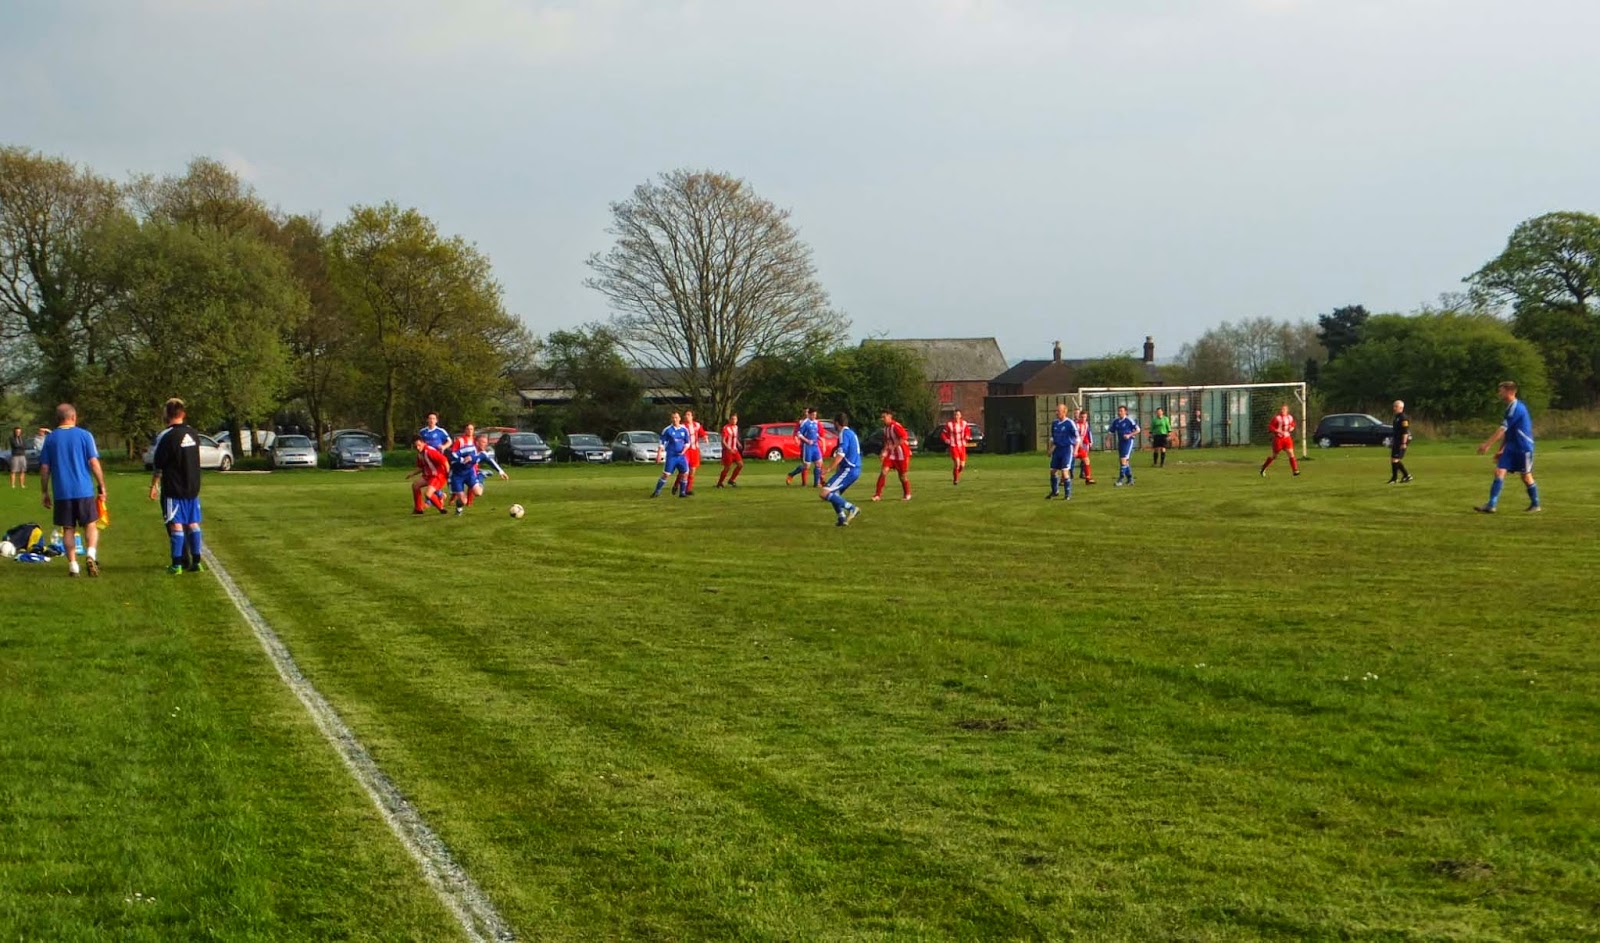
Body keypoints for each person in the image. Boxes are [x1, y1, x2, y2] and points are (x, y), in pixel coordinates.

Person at [38, 403, 105, 577]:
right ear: (74, 417)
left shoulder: (50, 439)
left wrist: (44, 491)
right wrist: (101, 486)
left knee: (68, 529)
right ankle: (91, 554)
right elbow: (94, 463)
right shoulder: (85, 435)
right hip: (84, 490)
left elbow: (45, 468)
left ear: (58, 419)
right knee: (90, 524)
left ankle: (73, 565)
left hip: (62, 492)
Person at [146, 398, 206, 574]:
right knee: (193, 523)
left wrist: (153, 486)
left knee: (176, 525)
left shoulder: (167, 436)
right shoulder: (194, 434)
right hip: (193, 487)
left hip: (174, 488)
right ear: (183, 414)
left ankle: (177, 563)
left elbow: (159, 464)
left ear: (166, 415)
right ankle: (197, 561)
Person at [1476, 381, 1540, 513]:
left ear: (1510, 392)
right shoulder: (1510, 407)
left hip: (1523, 447)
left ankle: (1536, 504)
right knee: (1499, 471)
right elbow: (1507, 432)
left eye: (1501, 391)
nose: (1499, 393)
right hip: (1511, 447)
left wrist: (1487, 445)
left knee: (1526, 476)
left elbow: (1501, 430)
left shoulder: (1516, 408)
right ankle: (1491, 504)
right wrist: (1501, 450)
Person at [819, 411, 863, 526]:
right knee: (834, 494)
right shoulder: (851, 433)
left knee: (824, 493)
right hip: (853, 469)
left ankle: (852, 508)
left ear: (837, 423)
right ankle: (841, 518)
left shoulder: (843, 433)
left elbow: (841, 454)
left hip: (849, 469)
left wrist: (828, 469)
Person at [872, 409, 912, 501]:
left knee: (902, 476)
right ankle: (877, 495)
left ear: (890, 416)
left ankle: (907, 494)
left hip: (902, 454)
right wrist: (883, 452)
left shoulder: (896, 426)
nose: (882, 419)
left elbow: (904, 437)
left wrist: (894, 446)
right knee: (883, 471)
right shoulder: (885, 429)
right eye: (881, 417)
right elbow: (887, 442)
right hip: (892, 454)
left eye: (884, 417)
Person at [653, 411, 692, 498]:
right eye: (673, 418)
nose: (675, 419)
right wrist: (659, 454)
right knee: (666, 474)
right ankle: (657, 492)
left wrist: (684, 450)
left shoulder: (684, 429)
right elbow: (661, 443)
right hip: (672, 456)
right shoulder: (667, 430)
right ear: (671, 419)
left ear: (679, 418)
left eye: (676, 417)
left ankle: (682, 493)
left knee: (685, 473)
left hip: (681, 456)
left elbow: (687, 443)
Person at [408, 434, 450, 514]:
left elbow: (444, 461)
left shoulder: (430, 451)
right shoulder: (420, 453)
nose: (417, 448)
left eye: (419, 445)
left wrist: (448, 474)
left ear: (423, 443)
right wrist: (412, 474)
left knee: (428, 494)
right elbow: (421, 467)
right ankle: (418, 509)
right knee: (415, 486)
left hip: (437, 475)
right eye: (415, 446)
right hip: (428, 476)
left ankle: (441, 509)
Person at [1047, 401, 1079, 500]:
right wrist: (1050, 449)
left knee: (1065, 472)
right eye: (1056, 411)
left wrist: (1076, 450)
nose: (1057, 413)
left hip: (1067, 449)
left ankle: (1067, 494)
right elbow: (1053, 438)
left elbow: (1077, 438)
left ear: (1064, 411)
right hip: (1057, 450)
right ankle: (1055, 491)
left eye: (1059, 411)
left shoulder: (1070, 423)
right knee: (1052, 471)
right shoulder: (1055, 423)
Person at [445, 422, 479, 514]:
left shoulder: (475, 441)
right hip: (459, 469)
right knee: (460, 492)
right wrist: (462, 460)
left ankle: (469, 502)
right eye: (468, 429)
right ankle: (457, 501)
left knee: (473, 487)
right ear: (465, 430)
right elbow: (453, 454)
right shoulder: (460, 441)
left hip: (471, 467)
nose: (470, 431)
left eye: (472, 429)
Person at [1258, 404, 1300, 477]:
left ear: (1287, 410)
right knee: (1274, 456)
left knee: (1291, 453)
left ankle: (1295, 470)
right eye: (1281, 409)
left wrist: (1291, 428)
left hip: (1287, 438)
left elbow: (1293, 424)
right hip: (1278, 439)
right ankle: (1263, 468)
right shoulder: (1277, 418)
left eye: (1284, 409)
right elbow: (1271, 426)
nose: (1282, 410)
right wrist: (1277, 431)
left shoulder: (1290, 417)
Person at [787, 409, 823, 487]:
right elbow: (799, 434)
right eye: (813, 415)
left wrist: (819, 438)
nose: (814, 416)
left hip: (815, 445)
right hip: (807, 446)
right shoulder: (804, 423)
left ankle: (816, 484)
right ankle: (792, 474)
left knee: (819, 463)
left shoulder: (815, 423)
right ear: (809, 414)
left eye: (815, 415)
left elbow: (815, 433)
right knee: (806, 466)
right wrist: (806, 440)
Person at [471, 432, 508, 503]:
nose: (485, 444)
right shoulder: (469, 450)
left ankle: (481, 475)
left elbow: (492, 462)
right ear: (477, 442)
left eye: (486, 443)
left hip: (471, 473)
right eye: (483, 442)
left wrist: (501, 472)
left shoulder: (483, 453)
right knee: (455, 493)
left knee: (478, 493)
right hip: (460, 473)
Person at [1109, 405, 1140, 486]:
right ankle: (1130, 479)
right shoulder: (1116, 421)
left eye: (1121, 411)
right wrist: (1107, 441)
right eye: (1119, 411)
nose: (1119, 412)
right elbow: (1111, 432)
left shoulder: (1129, 420)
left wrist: (1129, 435)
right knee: (1124, 462)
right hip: (1121, 442)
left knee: (1123, 460)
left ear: (1125, 412)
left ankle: (1120, 480)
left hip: (1128, 442)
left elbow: (1138, 430)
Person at [941, 410, 972, 485]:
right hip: (953, 446)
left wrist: (967, 437)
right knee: (957, 464)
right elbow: (943, 434)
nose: (956, 416)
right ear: (953, 416)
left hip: (962, 446)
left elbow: (967, 431)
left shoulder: (964, 423)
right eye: (955, 415)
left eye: (958, 415)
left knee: (962, 465)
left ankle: (956, 474)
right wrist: (946, 440)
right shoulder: (949, 424)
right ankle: (956, 480)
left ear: (960, 416)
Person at [1388, 400, 1414, 484]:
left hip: (1401, 441)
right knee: (1394, 459)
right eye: (1394, 406)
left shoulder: (1403, 418)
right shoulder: (1396, 417)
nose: (1394, 408)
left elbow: (1405, 432)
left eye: (1396, 406)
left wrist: (1403, 443)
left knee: (1395, 459)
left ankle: (1395, 478)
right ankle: (1406, 475)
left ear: (1401, 408)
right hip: (1397, 440)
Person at [683, 409, 707, 496]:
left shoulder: (697, 425)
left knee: (692, 470)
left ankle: (688, 489)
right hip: (686, 450)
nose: (687, 416)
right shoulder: (682, 426)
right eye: (686, 415)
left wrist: (705, 437)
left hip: (695, 450)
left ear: (692, 416)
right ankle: (677, 484)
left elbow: (702, 433)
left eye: (688, 415)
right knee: (684, 470)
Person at [716, 413, 744, 487]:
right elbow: (723, 440)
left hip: (735, 450)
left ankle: (731, 480)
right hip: (728, 451)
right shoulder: (726, 428)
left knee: (740, 465)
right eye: (732, 419)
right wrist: (729, 448)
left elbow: (735, 437)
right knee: (727, 467)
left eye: (735, 419)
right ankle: (720, 482)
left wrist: (738, 443)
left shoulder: (736, 427)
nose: (734, 420)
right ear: (729, 420)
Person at [1074, 409, 1096, 485]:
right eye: (1082, 417)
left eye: (1085, 417)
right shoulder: (1076, 425)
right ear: (1079, 417)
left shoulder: (1086, 424)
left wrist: (1090, 441)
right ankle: (1063, 480)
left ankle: (1088, 478)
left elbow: (1085, 435)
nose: (1083, 419)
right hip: (1073, 446)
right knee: (1068, 463)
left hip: (1079, 447)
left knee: (1086, 460)